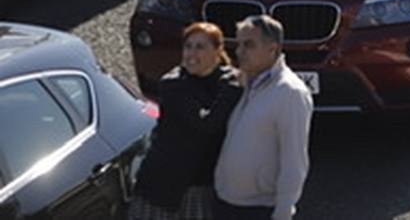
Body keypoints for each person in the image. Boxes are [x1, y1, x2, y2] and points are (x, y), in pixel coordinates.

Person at [129, 23, 242, 220]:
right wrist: (235, 88)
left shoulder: (227, 78)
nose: (191, 53)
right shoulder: (173, 85)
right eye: (188, 46)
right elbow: (206, 125)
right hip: (168, 187)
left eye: (200, 47)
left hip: (205, 183)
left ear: (218, 51)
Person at [214, 15, 313, 220]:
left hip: (258, 209)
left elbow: (294, 161)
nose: (239, 52)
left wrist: (284, 212)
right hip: (225, 202)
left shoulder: (290, 92)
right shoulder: (243, 81)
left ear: (273, 49)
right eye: (239, 44)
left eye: (249, 45)